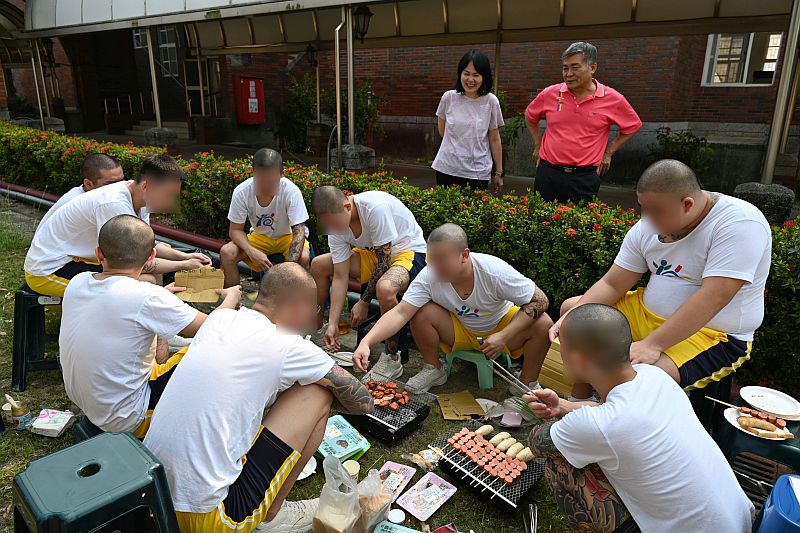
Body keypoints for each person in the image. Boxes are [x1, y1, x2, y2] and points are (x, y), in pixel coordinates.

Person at [144, 263, 374, 533]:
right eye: (314, 309)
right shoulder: (290, 346)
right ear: (299, 306)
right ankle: (274, 514)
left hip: (152, 491)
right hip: (212, 516)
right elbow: (364, 403)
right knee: (317, 392)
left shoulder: (220, 319)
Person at [551, 159, 771, 400]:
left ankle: (607, 418)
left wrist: (652, 344)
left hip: (713, 333)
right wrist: (573, 316)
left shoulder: (739, 223)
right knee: (574, 313)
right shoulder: (648, 226)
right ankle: (580, 401)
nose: (647, 219)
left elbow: (715, 297)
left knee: (642, 379)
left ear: (687, 204)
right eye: (643, 208)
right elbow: (613, 283)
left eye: (656, 211)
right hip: (646, 313)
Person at [525, 303, 754, 532]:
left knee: (561, 462)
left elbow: (538, 443)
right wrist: (564, 406)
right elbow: (607, 412)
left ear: (578, 359)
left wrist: (565, 421)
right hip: (738, 522)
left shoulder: (600, 425)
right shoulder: (654, 376)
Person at [59, 215, 242, 437]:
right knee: (213, 348)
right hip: (126, 418)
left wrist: (159, 304)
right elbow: (217, 328)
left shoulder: (78, 282)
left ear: (99, 253)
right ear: (151, 257)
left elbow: (124, 307)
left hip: (88, 403)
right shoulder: (146, 297)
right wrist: (231, 297)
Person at [353, 223, 552, 392]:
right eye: (432, 258)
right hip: (460, 329)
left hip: (500, 326)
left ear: (464, 255)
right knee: (420, 311)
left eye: (442, 259)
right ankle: (433, 369)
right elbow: (400, 312)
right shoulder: (429, 275)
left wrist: (505, 335)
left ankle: (525, 385)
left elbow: (540, 301)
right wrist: (367, 342)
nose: (436, 266)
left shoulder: (494, 271)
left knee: (543, 323)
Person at [24, 154, 212, 297]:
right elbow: (135, 261)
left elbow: (145, 248)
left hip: (79, 259)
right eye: (169, 195)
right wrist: (185, 264)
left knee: (147, 277)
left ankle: (157, 330)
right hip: (49, 270)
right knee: (144, 281)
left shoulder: (141, 199)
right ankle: (153, 332)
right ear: (147, 186)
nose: (172, 203)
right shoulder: (114, 205)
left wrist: (184, 256)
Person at [310, 186, 426, 379]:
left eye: (337, 224)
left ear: (347, 206)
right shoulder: (334, 223)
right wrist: (333, 322)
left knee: (385, 289)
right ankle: (319, 331)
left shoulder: (374, 208)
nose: (335, 229)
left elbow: (384, 262)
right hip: (374, 254)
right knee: (319, 265)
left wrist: (363, 302)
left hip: (407, 251)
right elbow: (340, 275)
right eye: (329, 225)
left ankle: (392, 357)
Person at [525, 42, 642, 203]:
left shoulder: (613, 99)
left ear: (592, 67)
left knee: (576, 226)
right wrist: (538, 144)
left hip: (584, 177)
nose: (568, 74)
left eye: (575, 67)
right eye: (565, 68)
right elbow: (530, 117)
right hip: (548, 172)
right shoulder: (550, 93)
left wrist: (608, 152)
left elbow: (633, 126)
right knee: (540, 223)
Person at [220, 148, 310, 288]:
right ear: (253, 172)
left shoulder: (291, 191)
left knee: (303, 257)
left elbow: (299, 231)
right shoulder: (242, 191)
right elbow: (235, 231)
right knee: (227, 253)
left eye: (272, 181)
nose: (266, 186)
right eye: (261, 179)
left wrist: (288, 267)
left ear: (281, 174)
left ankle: (299, 303)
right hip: (260, 237)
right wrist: (251, 251)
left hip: (287, 236)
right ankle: (233, 303)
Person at [432, 49, 505, 193]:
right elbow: (443, 132)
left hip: (477, 172)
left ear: (484, 77)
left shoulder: (491, 102)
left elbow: (495, 139)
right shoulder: (448, 98)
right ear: (460, 73)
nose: (470, 79)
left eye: (476, 75)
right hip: (447, 168)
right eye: (466, 73)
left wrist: (499, 172)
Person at [38, 153, 124, 226]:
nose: (119, 187)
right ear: (88, 184)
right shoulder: (83, 203)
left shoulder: (88, 195)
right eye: (111, 184)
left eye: (121, 181)